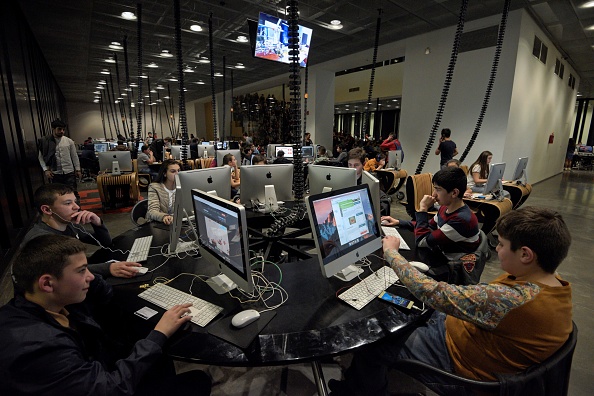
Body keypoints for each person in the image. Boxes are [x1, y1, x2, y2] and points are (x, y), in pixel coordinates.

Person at [330, 206, 572, 396]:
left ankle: (364, 391)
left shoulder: (513, 300)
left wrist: (392, 254)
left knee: (374, 340)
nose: (496, 249)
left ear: (525, 254)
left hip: (460, 367)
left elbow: (433, 292)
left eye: (501, 244)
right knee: (407, 312)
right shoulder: (554, 283)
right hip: (469, 338)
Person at [0, 234, 211, 395]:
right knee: (198, 380)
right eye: (82, 270)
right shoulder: (40, 349)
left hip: (94, 368)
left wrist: (105, 270)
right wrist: (159, 334)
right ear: (47, 283)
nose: (90, 276)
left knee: (159, 361)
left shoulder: (38, 300)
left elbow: (99, 289)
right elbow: (111, 389)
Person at [22, 183, 141, 278]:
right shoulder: (40, 239)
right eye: (68, 203)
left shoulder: (69, 224)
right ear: (47, 210)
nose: (77, 207)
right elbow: (63, 272)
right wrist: (108, 268)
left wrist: (97, 223)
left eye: (75, 201)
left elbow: (105, 243)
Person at [384, 167, 480, 253]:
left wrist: (423, 209)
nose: (433, 194)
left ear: (454, 193)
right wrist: (399, 222)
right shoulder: (445, 208)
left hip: (451, 266)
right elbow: (429, 225)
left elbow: (421, 241)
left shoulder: (462, 220)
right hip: (441, 253)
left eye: (438, 189)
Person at [38, 118, 82, 201]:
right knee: (58, 195)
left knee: (73, 193)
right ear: (53, 129)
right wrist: (45, 170)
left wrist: (78, 170)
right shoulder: (45, 141)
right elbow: (41, 157)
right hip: (55, 173)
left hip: (69, 172)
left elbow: (74, 156)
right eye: (59, 129)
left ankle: (77, 211)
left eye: (63, 130)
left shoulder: (69, 141)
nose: (62, 131)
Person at [147, 159, 181, 225]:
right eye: (173, 171)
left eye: (179, 171)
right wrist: (164, 216)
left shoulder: (183, 186)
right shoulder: (154, 187)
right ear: (165, 174)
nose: (177, 174)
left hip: (175, 223)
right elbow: (152, 211)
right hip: (158, 223)